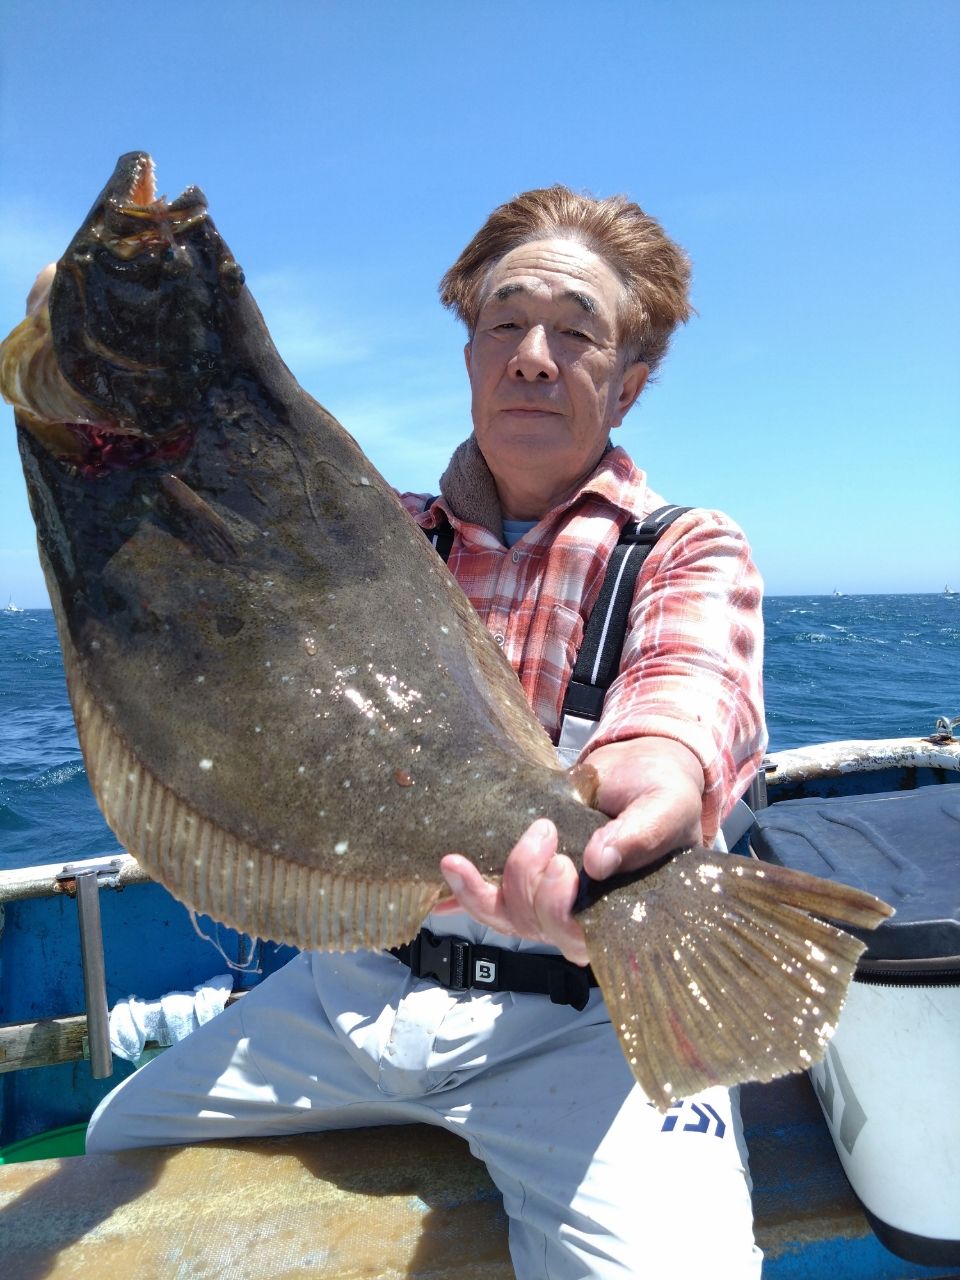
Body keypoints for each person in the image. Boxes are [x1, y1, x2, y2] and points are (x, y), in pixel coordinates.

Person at [86, 186, 767, 1278]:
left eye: (577, 331)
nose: (533, 356)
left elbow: (690, 690)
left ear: (628, 385)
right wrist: (112, 361)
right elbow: (194, 505)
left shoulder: (686, 548)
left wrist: (654, 791)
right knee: (114, 1149)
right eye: (505, 322)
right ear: (468, 355)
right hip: (356, 988)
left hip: (586, 1022)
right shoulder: (376, 535)